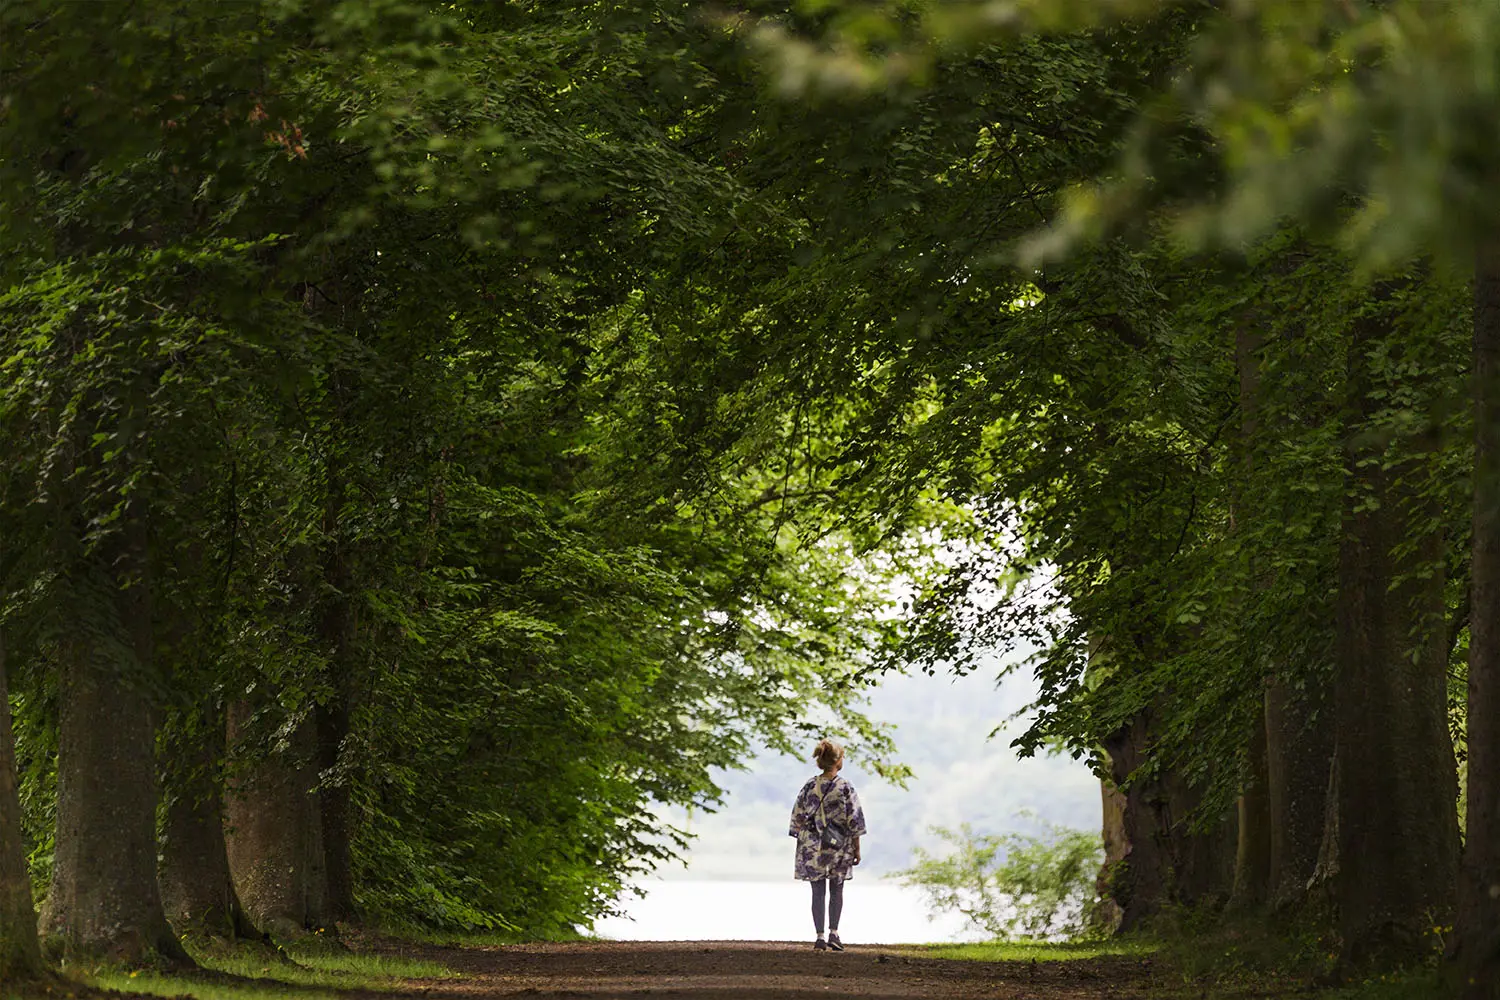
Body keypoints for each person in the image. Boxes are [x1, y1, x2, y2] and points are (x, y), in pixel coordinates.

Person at [788, 738, 867, 951]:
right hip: (838, 846)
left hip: (812, 846)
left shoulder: (810, 786)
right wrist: (856, 849)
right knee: (837, 889)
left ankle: (819, 937)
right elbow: (855, 820)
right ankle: (834, 933)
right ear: (837, 761)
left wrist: (806, 840)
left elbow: (797, 818)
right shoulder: (845, 787)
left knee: (817, 891)